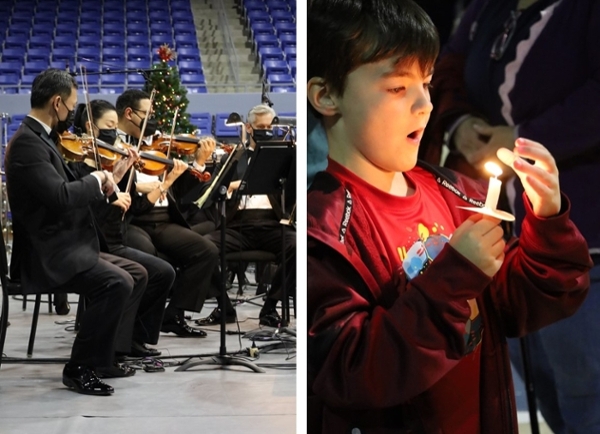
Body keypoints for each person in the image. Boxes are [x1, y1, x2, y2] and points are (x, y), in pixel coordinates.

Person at [306, 1, 592, 433]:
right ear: (327, 95)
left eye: (427, 82)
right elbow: (351, 369)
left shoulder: (456, 194)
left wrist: (546, 222)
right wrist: (455, 276)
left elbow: (522, 304)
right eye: (398, 88)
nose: (424, 104)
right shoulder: (326, 228)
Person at [423, 0, 600, 431]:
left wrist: (523, 138)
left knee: (586, 391)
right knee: (540, 381)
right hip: (508, 240)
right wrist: (460, 123)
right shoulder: (492, 8)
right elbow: (449, 65)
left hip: (583, 229)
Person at [4, 69, 148, 395]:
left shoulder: (42, 138)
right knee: (117, 282)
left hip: (67, 243)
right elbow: (62, 197)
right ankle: (79, 368)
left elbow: (72, 191)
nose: (71, 114)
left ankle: (103, 357)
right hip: (48, 253)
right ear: (56, 103)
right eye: (70, 106)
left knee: (136, 272)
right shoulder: (28, 144)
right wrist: (97, 179)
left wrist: (114, 172)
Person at [72, 99, 175, 356]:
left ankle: (134, 337)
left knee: (164, 272)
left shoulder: (116, 163)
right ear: (90, 127)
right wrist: (111, 197)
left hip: (115, 240)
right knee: (140, 273)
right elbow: (83, 214)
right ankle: (117, 345)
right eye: (108, 126)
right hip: (93, 243)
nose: (113, 134)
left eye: (115, 127)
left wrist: (121, 172)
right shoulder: (78, 169)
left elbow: (134, 208)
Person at [115, 89, 219, 337]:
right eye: (147, 114)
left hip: (162, 220)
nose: (152, 119)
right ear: (129, 114)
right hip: (132, 220)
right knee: (149, 256)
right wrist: (147, 185)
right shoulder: (113, 145)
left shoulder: (157, 148)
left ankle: (173, 314)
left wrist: (198, 164)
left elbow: (180, 191)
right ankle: (136, 327)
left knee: (206, 251)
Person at [196, 104, 296, 328]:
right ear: (249, 127)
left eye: (270, 126)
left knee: (299, 246)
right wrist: (231, 186)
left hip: (272, 223)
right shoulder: (234, 157)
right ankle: (225, 307)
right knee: (200, 247)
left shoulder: (281, 157)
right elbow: (212, 191)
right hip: (237, 225)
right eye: (261, 127)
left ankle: (271, 306)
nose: (266, 130)